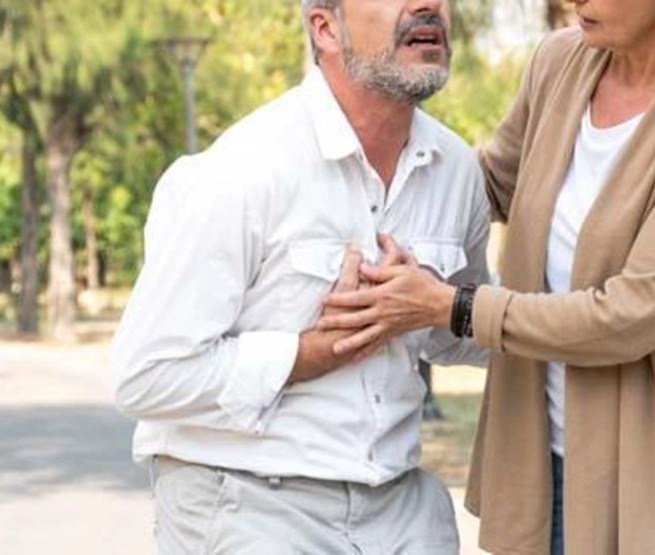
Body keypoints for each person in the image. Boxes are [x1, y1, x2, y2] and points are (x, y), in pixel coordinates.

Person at [317, 0, 655, 552]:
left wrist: (454, 306)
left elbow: (633, 315)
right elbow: (487, 185)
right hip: (543, 464)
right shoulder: (560, 62)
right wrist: (366, 174)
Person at [111, 0, 490, 552]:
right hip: (246, 501)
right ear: (325, 28)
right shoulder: (241, 169)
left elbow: (456, 339)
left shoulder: (455, 170)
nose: (428, 5)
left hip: (401, 507)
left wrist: (441, 304)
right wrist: (305, 354)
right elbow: (146, 374)